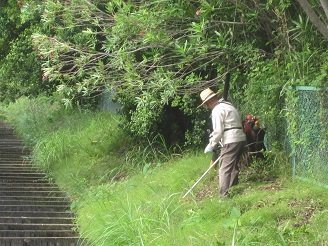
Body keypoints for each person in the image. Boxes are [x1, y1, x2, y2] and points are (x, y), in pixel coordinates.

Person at [198, 88, 246, 197]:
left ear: (209, 102)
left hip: (231, 140)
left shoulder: (217, 110)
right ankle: (233, 187)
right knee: (234, 166)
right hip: (240, 138)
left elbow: (218, 131)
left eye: (206, 105)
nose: (207, 107)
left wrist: (211, 144)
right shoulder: (229, 106)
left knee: (224, 168)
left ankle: (223, 195)